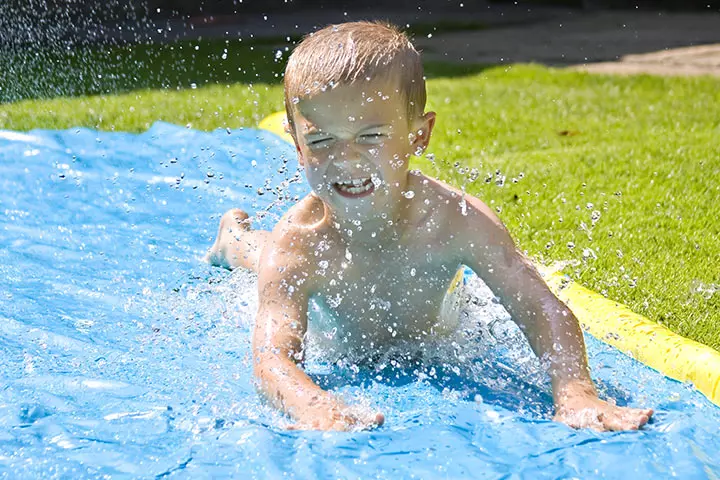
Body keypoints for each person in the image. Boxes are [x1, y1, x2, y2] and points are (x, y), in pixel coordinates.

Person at [206, 21, 653, 431]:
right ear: (298, 146)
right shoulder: (299, 243)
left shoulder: (455, 220)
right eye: (322, 140)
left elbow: (541, 308)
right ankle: (236, 241)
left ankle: (240, 241)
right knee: (269, 258)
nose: (347, 157)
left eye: (372, 136)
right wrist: (310, 403)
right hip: (293, 256)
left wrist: (575, 394)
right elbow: (271, 355)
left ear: (419, 135)